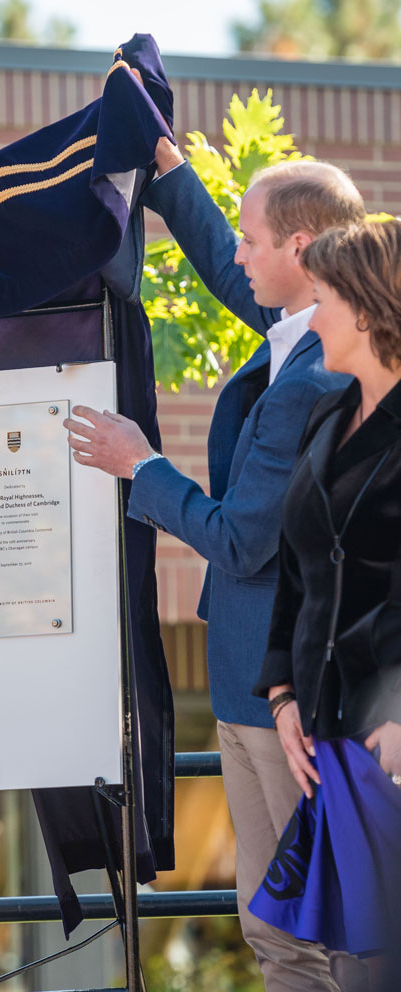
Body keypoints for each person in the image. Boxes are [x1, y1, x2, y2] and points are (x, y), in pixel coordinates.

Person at [64, 136, 365, 991]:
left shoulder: (315, 379)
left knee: (313, 933)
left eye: (251, 235)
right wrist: (170, 175)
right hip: (248, 682)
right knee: (275, 924)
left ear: (300, 251)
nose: (239, 250)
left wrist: (140, 465)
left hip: (288, 703)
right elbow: (234, 278)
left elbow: (238, 538)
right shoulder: (305, 329)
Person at [250, 219, 401, 991]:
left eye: (329, 297)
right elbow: (297, 566)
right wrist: (281, 690)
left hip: (389, 735)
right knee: (353, 955)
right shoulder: (326, 412)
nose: (314, 314)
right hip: (325, 728)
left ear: (371, 309)